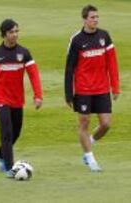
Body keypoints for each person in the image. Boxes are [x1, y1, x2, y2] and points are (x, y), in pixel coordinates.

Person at [0, 19, 43, 178]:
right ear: (4, 34)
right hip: (1, 99)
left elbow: (34, 74)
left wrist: (38, 95)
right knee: (7, 133)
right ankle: (10, 168)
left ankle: (0, 154)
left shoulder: (24, 53)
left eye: (17, 31)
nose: (15, 35)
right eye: (12, 32)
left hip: (17, 99)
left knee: (16, 132)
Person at [64, 5, 120, 172]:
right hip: (83, 90)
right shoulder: (76, 40)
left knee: (106, 124)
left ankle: (90, 142)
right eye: (92, 17)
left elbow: (112, 63)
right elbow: (69, 68)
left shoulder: (104, 36)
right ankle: (90, 158)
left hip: (102, 88)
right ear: (85, 19)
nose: (95, 20)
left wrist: (115, 86)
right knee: (84, 123)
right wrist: (68, 93)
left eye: (97, 17)